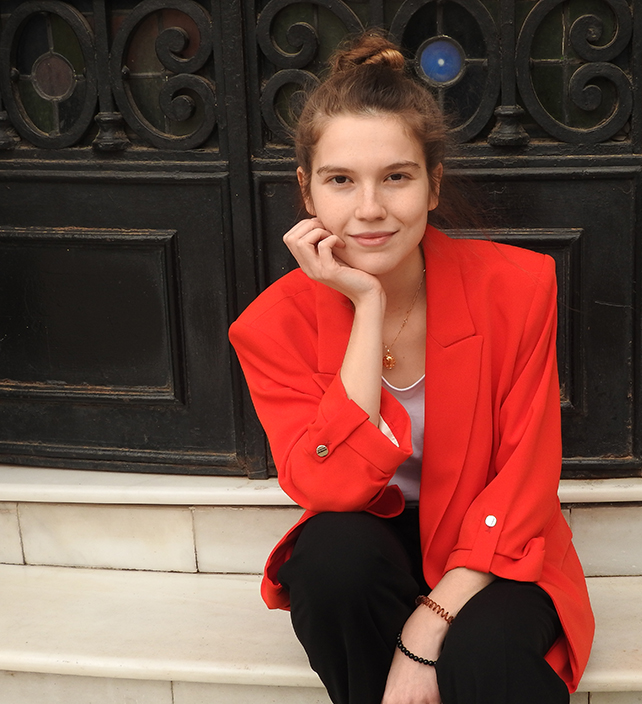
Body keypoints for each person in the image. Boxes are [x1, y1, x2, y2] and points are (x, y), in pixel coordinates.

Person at [229, 31, 594, 704]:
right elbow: (331, 487)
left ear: (433, 186)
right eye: (341, 180)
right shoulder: (271, 326)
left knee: (480, 655)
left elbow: (526, 477)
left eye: (396, 176)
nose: (370, 208)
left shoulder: (516, 288)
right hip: (374, 533)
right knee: (329, 562)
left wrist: (428, 627)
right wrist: (365, 305)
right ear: (307, 192)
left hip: (494, 538)